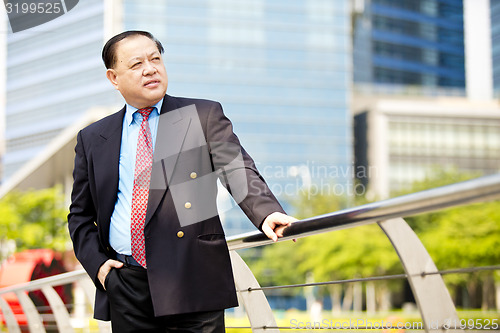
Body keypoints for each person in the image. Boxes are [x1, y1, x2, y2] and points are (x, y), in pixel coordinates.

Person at [67, 30, 297, 332]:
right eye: (136, 64)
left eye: (156, 59)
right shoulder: (94, 137)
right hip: (125, 284)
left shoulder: (201, 115)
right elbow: (80, 216)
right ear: (113, 78)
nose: (150, 68)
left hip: (192, 278)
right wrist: (99, 267)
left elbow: (236, 167)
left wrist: (266, 211)